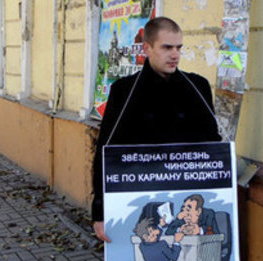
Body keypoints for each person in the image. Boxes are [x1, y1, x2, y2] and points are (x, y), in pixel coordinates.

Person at [91, 17, 222, 242]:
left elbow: (212, 148)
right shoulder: (124, 90)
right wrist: (100, 212)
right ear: (147, 48)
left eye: (179, 47)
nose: (175, 55)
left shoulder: (197, 87)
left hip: (186, 199)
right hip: (138, 202)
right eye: (167, 47)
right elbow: (106, 152)